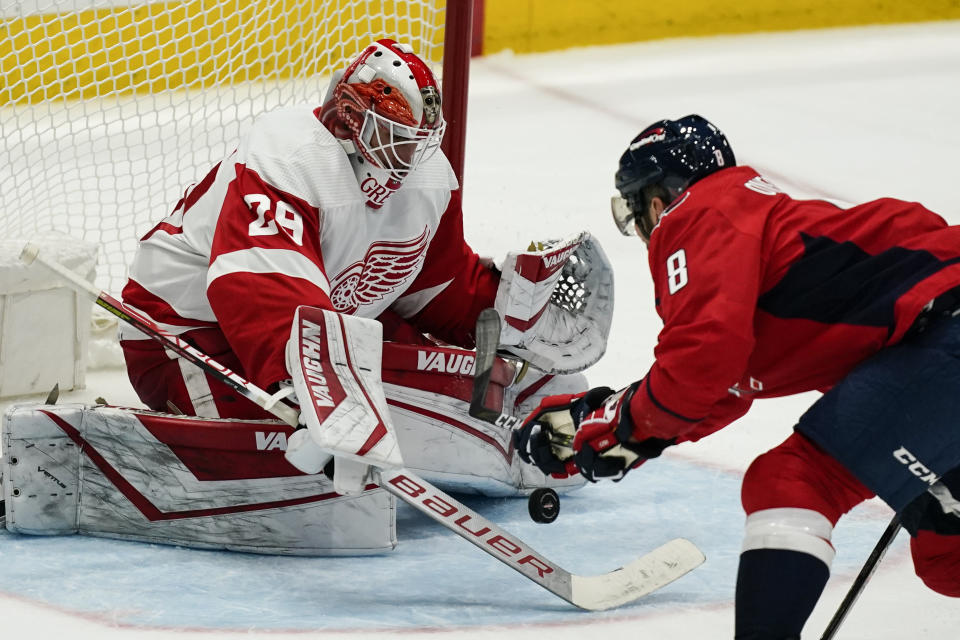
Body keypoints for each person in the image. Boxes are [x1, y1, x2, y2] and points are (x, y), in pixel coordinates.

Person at [514, 114, 960, 638]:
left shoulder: (701, 212)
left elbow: (704, 357)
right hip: (933, 351)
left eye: (632, 212)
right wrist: (617, 422)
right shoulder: (761, 224)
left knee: (794, 482)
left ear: (655, 202)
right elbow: (719, 383)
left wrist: (624, 424)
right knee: (946, 556)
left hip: (944, 339)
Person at [115, 38, 613, 497]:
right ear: (349, 118)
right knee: (385, 423)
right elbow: (260, 290)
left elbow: (433, 285)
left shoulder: (422, 177)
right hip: (186, 341)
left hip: (324, 327)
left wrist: (504, 312)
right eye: (397, 139)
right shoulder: (288, 155)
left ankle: (514, 435)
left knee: (521, 384)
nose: (411, 157)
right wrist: (315, 397)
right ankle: (495, 455)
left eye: (418, 141)